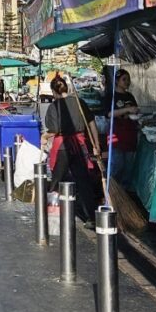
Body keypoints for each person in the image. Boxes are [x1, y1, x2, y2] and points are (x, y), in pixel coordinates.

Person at [41, 75, 103, 220]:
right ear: (67, 88)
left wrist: (44, 136)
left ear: (53, 91)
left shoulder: (54, 106)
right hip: (79, 145)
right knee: (83, 181)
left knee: (56, 180)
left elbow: (54, 130)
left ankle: (52, 211)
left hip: (63, 146)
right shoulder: (79, 102)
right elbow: (92, 124)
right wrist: (96, 144)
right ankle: (90, 217)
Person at [106, 69, 139, 185]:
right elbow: (109, 114)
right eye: (124, 79)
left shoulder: (130, 96)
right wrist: (127, 109)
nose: (127, 82)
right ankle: (112, 190)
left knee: (129, 168)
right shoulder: (111, 96)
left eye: (128, 79)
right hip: (116, 136)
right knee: (117, 166)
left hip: (130, 135)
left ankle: (124, 193)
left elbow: (135, 110)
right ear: (116, 81)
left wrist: (135, 113)